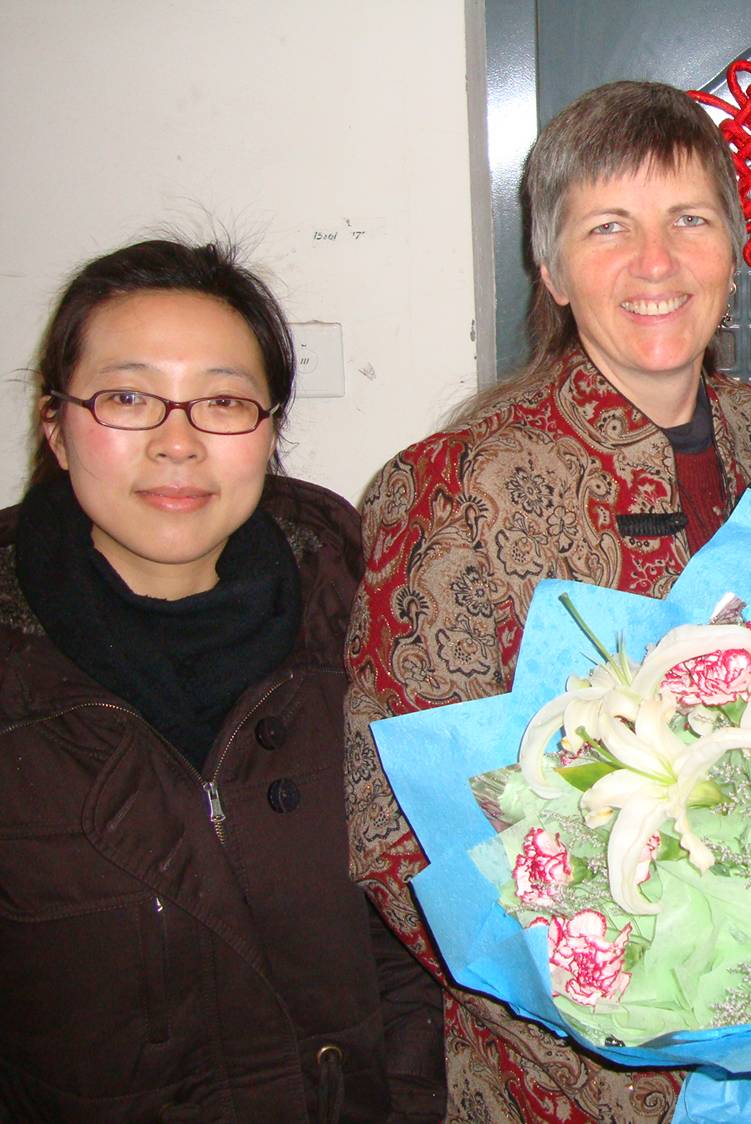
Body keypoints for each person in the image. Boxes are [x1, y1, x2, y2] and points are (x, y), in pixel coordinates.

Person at [344, 80, 751, 1122]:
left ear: (730, 251)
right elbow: (397, 830)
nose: (656, 262)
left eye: (688, 220)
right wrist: (672, 1023)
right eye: (609, 227)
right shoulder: (459, 486)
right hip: (572, 1082)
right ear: (551, 269)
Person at [0, 239, 443, 1122]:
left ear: (271, 428)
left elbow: (417, 938)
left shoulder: (372, 624)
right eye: (127, 397)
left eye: (223, 401)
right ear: (55, 424)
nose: (177, 442)